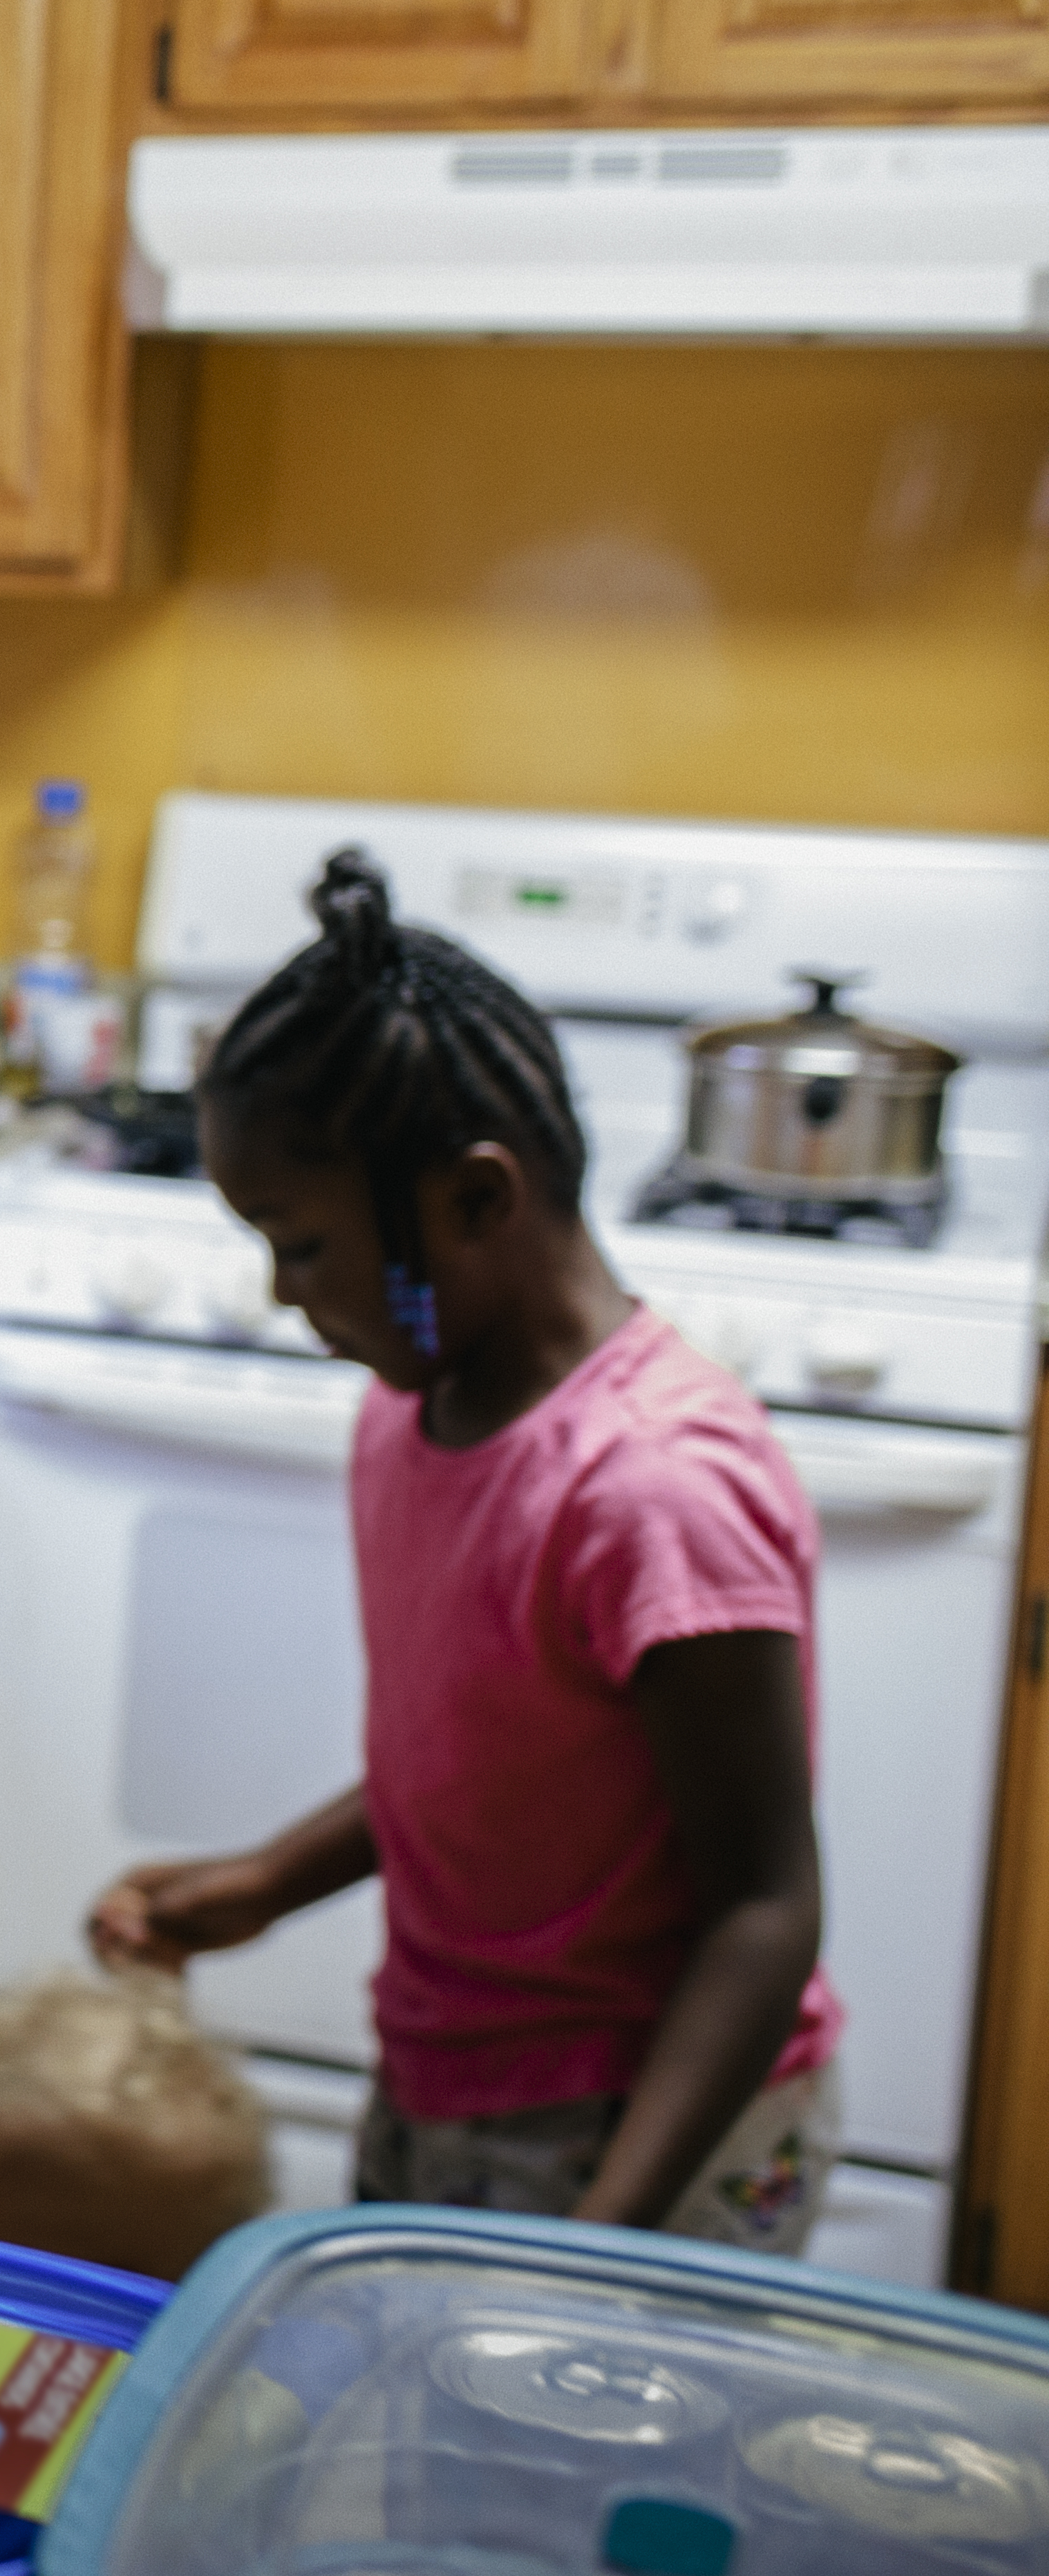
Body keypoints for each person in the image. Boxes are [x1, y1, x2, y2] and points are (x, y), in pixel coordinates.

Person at [91, 852, 842, 2251]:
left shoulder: (655, 1487)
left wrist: (602, 2235)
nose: (282, 1291)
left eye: (305, 1244)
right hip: (450, 2069)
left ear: (477, 1199)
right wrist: (271, 1875)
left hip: (639, 2126)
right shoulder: (417, 1407)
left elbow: (764, 1907)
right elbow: (491, 1758)